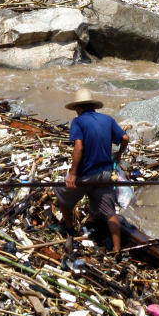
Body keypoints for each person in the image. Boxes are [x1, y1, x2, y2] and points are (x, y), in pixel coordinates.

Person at [54, 88, 129, 255]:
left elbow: (79, 146)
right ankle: (117, 250)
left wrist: (73, 174)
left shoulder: (78, 121)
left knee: (61, 195)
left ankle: (69, 228)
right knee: (110, 213)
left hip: (86, 175)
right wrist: (118, 155)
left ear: (78, 108)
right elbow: (125, 138)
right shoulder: (107, 119)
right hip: (105, 174)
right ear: (93, 106)